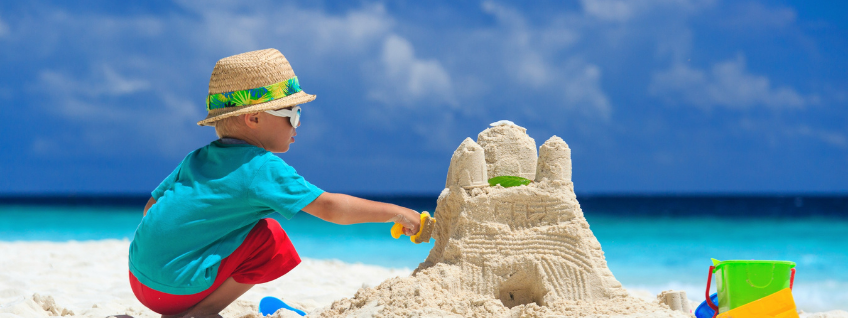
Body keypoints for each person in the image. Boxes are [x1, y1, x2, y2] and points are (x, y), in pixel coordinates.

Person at [128, 48, 422, 318]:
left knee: (238, 228)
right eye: (292, 114)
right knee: (270, 238)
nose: (298, 123)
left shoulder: (197, 158)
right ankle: (203, 311)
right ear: (254, 118)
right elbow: (331, 208)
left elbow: (151, 208)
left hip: (139, 279)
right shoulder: (259, 167)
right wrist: (395, 212)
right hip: (175, 292)